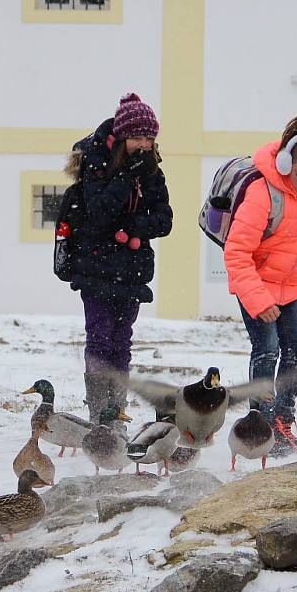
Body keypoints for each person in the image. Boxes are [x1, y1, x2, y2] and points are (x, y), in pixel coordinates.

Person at [224, 115, 297, 457]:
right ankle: (260, 426)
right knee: (267, 350)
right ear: (287, 162)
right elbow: (237, 252)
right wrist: (258, 300)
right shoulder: (263, 193)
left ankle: (283, 421)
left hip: (293, 287)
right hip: (257, 285)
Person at [64, 93, 173, 423]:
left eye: (149, 138)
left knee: (121, 343)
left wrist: (133, 227)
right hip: (96, 267)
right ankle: (100, 416)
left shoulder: (152, 171)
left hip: (132, 270)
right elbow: (98, 213)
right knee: (99, 340)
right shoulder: (95, 164)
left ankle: (118, 411)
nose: (144, 145)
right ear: (122, 137)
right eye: (137, 137)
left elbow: (164, 219)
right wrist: (127, 177)